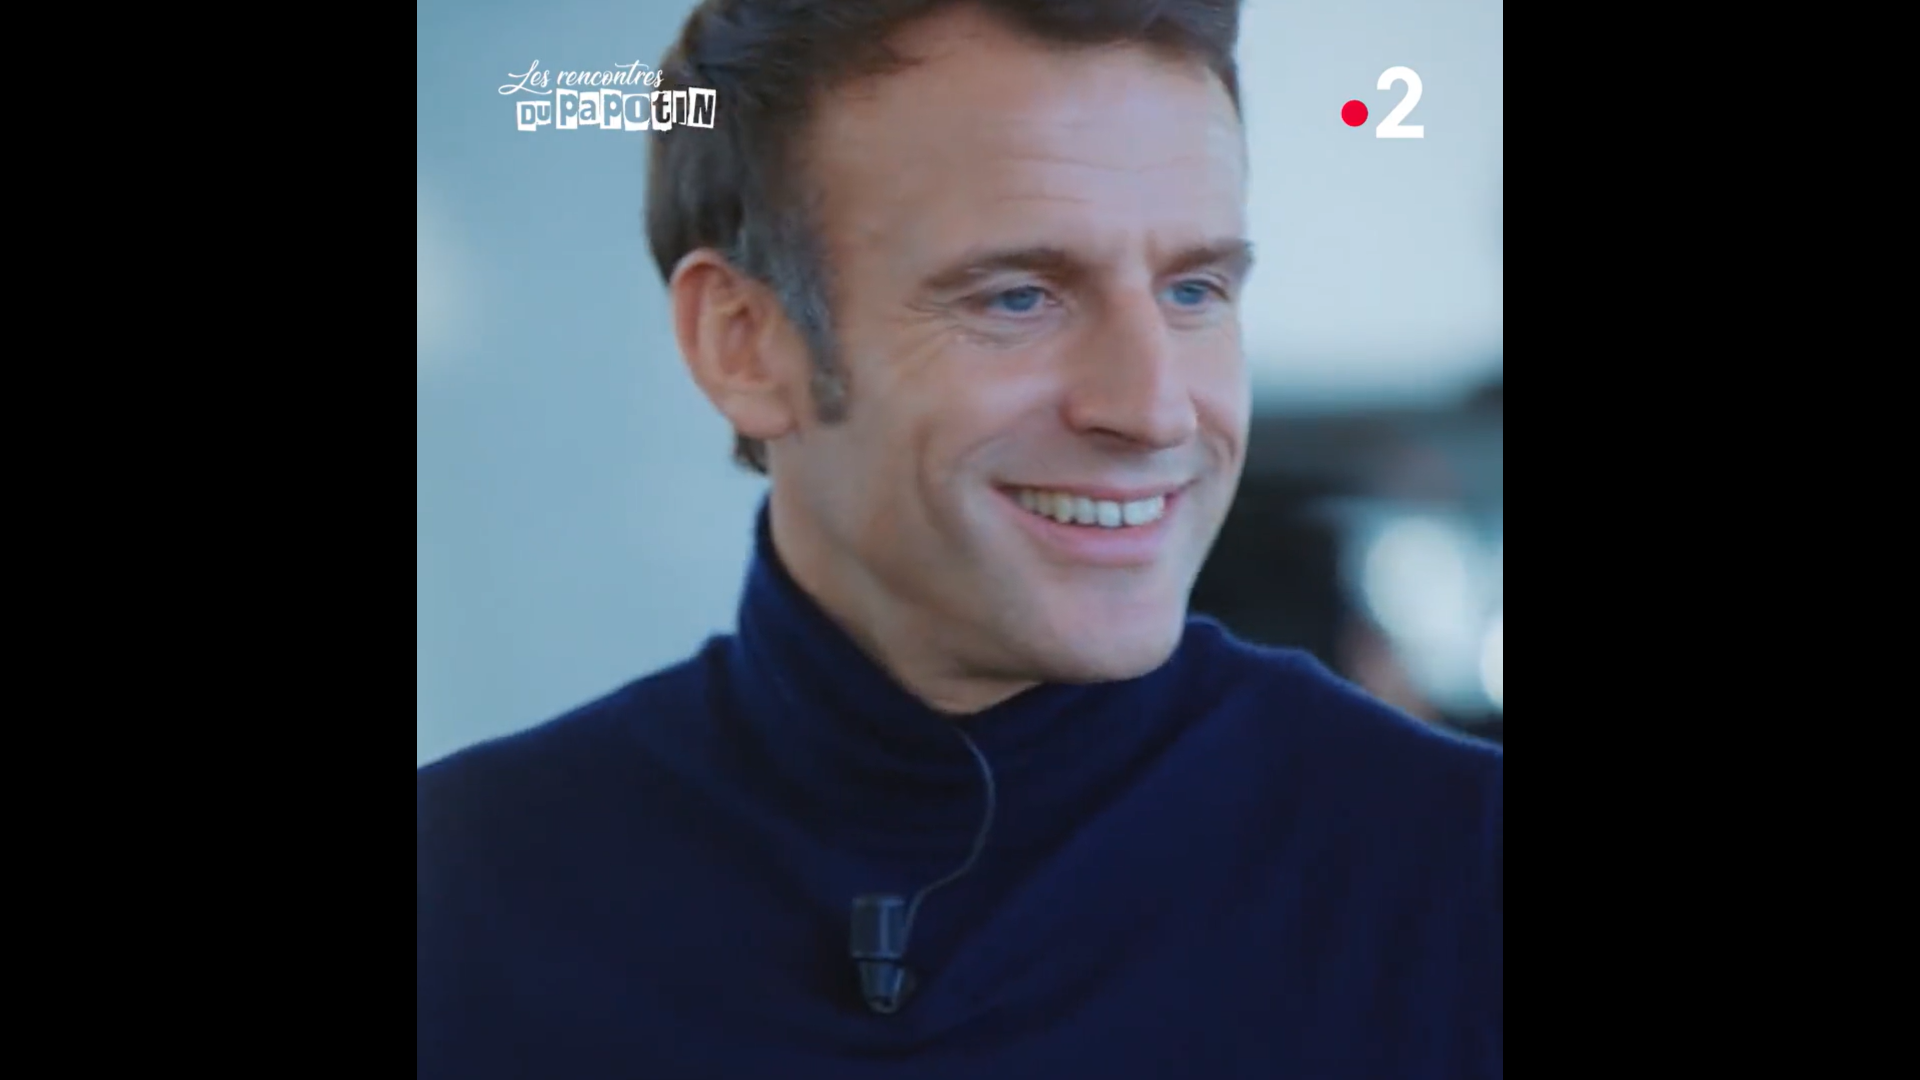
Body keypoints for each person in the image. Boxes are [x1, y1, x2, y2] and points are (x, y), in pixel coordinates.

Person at [416, 1, 1502, 1076]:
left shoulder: (1459, 877)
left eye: (1194, 290)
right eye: (1019, 297)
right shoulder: (462, 899)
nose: (1157, 409)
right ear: (744, 343)